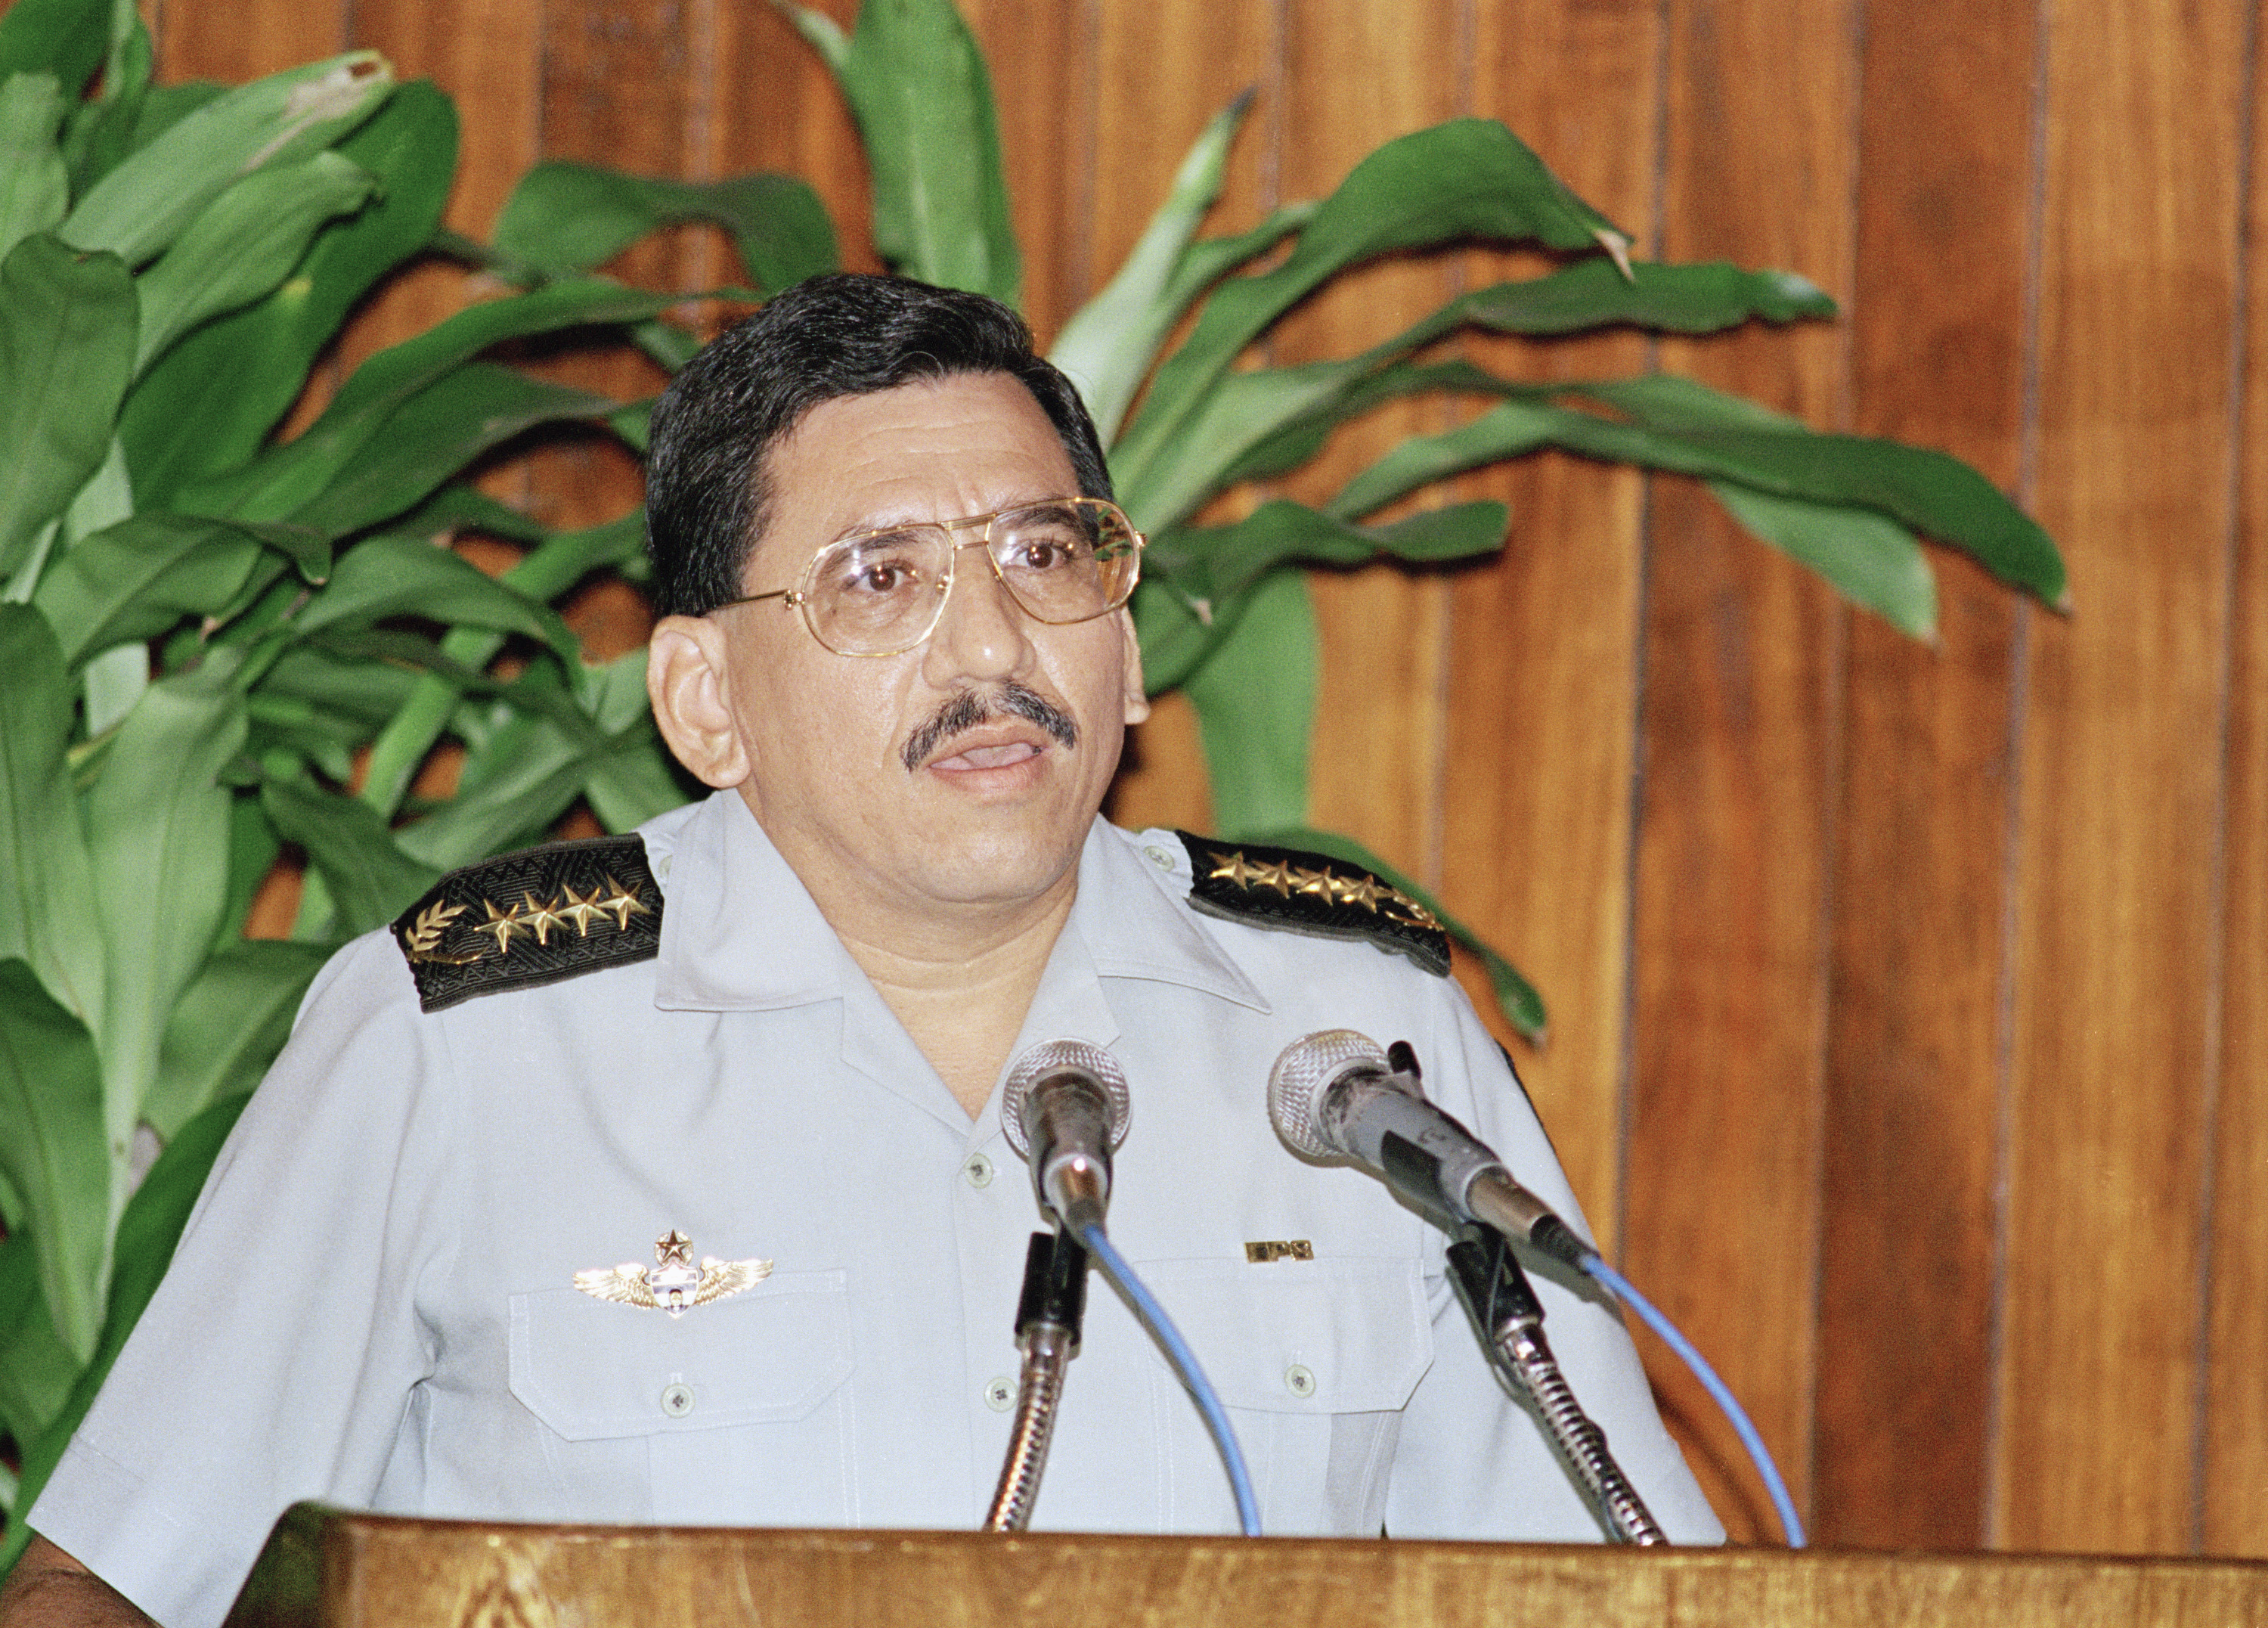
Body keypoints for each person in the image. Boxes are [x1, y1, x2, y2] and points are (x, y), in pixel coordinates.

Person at [2, 274, 1721, 1628]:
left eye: (1046, 555)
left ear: (1126, 652)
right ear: (705, 701)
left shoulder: (1355, 1046)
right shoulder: (464, 1050)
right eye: (880, 581)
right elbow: (116, 1589)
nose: (990, 638)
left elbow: (1624, 1585)